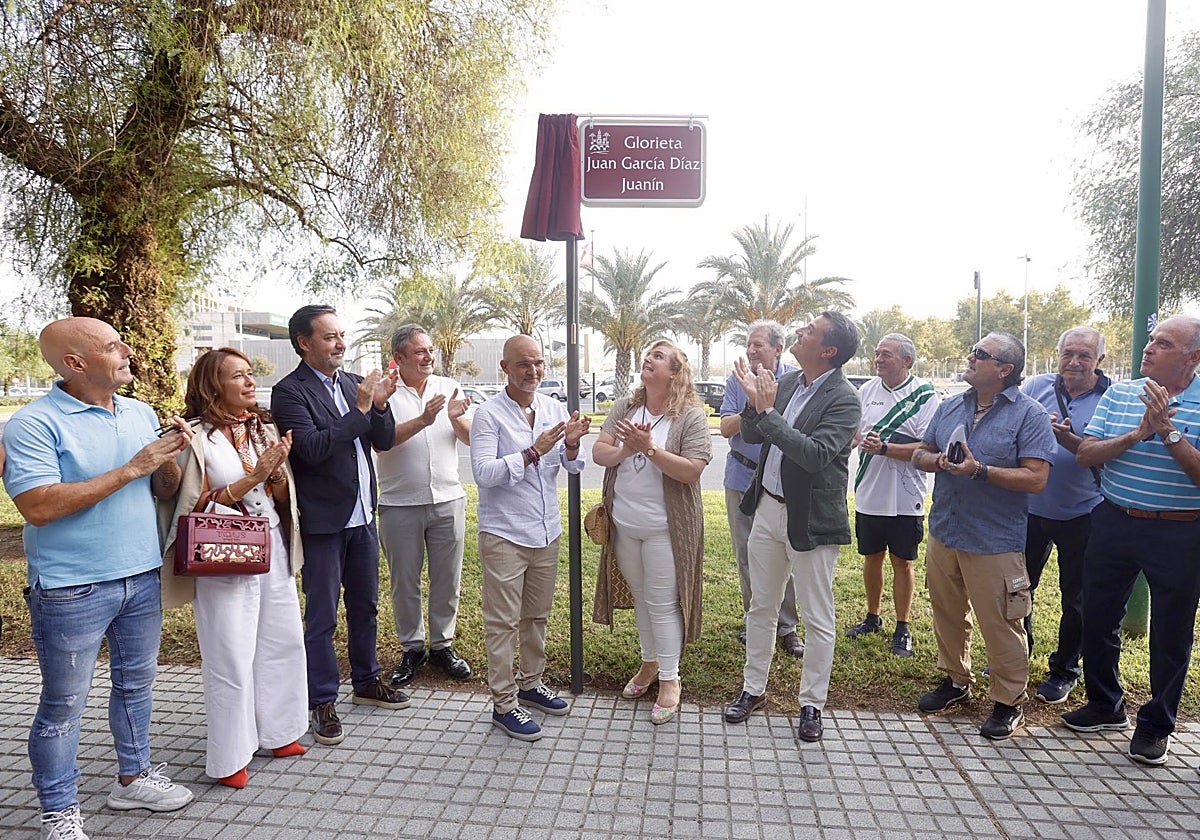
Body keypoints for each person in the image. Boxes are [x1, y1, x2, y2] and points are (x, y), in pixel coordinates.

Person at [2, 317, 194, 840]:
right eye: (114, 345)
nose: (128, 348)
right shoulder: (32, 425)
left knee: (136, 687)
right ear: (75, 363)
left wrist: (170, 458)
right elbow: (38, 506)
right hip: (72, 587)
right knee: (63, 704)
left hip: (141, 573)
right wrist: (133, 466)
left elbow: (161, 489)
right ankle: (59, 812)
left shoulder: (140, 412)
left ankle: (132, 779)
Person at [159, 348, 308, 789]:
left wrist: (276, 476)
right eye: (237, 376)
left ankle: (280, 732)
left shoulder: (264, 428)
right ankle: (230, 757)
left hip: (271, 547)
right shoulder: (195, 437)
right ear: (213, 385)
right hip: (221, 552)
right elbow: (193, 505)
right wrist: (252, 477)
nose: (249, 382)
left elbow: (280, 497)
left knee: (282, 638)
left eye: (249, 374)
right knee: (229, 652)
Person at [1063, 314, 1200, 766]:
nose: (1148, 348)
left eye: (1163, 343)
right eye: (1150, 340)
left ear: (1192, 357)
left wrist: (1167, 431)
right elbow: (1086, 453)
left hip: (1180, 530)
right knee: (1097, 615)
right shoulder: (1121, 393)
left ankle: (1156, 725)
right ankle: (1106, 704)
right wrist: (1137, 433)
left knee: (1171, 632)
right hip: (1114, 519)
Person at [271, 304, 409, 747]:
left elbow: (382, 440)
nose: (341, 344)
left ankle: (367, 681)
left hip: (363, 516)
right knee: (322, 615)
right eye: (330, 337)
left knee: (366, 605)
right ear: (304, 343)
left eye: (342, 335)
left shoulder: (352, 384)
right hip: (323, 521)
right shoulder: (289, 392)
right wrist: (363, 407)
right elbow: (310, 449)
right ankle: (322, 699)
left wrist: (380, 407)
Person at [723, 312, 862, 743]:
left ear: (828, 350)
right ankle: (752, 689)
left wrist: (766, 412)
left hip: (811, 519)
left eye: (810, 331)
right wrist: (752, 404)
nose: (800, 332)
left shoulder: (844, 399)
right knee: (761, 606)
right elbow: (751, 430)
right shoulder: (783, 384)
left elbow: (815, 454)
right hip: (766, 509)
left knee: (817, 616)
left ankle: (812, 703)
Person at [912, 333, 1053, 741]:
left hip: (994, 539)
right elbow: (921, 452)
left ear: (1004, 370)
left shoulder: (1029, 414)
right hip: (946, 531)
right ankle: (955, 681)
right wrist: (936, 460)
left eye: (981, 354)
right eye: (973, 350)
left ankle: (1009, 701)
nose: (970, 357)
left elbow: (1037, 478)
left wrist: (980, 470)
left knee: (1002, 621)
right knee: (947, 611)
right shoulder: (951, 404)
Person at [470, 334, 590, 741]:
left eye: (538, 363)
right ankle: (504, 704)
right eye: (523, 364)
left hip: (545, 531)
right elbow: (483, 473)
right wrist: (533, 451)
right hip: (504, 533)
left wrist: (571, 444)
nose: (533, 371)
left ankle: (530, 683)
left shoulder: (552, 408)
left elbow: (572, 469)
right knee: (502, 623)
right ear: (505, 367)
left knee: (536, 617)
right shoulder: (488, 414)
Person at [592, 340, 712, 725]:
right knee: (643, 599)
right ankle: (649, 664)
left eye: (658, 357)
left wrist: (648, 448)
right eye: (648, 355)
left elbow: (692, 471)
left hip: (666, 529)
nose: (648, 359)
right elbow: (599, 452)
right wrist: (627, 451)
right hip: (625, 526)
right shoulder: (626, 408)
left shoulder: (690, 416)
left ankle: (670, 680)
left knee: (661, 603)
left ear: (674, 372)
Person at [376, 324, 474, 688]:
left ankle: (442, 646)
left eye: (430, 349)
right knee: (405, 582)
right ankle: (412, 647)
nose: (429, 356)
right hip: (399, 502)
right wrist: (424, 420)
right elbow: (380, 444)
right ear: (398, 358)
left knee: (448, 579)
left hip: (448, 498)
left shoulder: (449, 388)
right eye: (419, 351)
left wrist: (454, 417)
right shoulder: (384, 394)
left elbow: (468, 438)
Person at [1019, 327, 1109, 705]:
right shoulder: (1036, 387)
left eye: (1085, 356)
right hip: (1028, 510)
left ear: (1099, 361)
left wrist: (1069, 439)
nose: (1075, 362)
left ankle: (1063, 671)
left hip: (1085, 513)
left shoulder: (1114, 397)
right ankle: (1015, 657)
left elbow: (1113, 452)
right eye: (1068, 353)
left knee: (1077, 598)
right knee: (1017, 590)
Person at [847, 333, 938, 657]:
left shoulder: (924, 395)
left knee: (903, 561)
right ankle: (872, 617)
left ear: (907, 361)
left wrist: (887, 448)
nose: (879, 359)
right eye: (877, 353)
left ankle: (903, 626)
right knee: (872, 557)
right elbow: (854, 434)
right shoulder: (866, 391)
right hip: (870, 490)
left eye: (886, 354)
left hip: (905, 494)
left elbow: (930, 446)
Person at [719, 320, 804, 657]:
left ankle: (788, 628)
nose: (751, 350)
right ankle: (755, 621)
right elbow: (725, 426)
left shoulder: (797, 381)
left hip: (780, 484)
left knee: (786, 556)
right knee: (747, 557)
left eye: (758, 345)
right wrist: (752, 404)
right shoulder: (736, 380)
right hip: (741, 478)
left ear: (778, 348)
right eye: (748, 344)